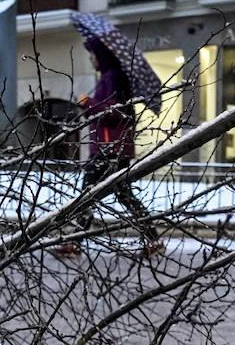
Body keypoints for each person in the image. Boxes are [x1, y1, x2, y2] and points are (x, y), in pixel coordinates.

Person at [53, 37, 162, 258]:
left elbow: (115, 113)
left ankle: (75, 244)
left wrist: (88, 102)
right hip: (111, 148)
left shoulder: (113, 78)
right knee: (121, 196)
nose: (91, 60)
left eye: (93, 56)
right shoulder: (109, 78)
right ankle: (153, 239)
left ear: (101, 57)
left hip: (110, 149)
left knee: (88, 196)